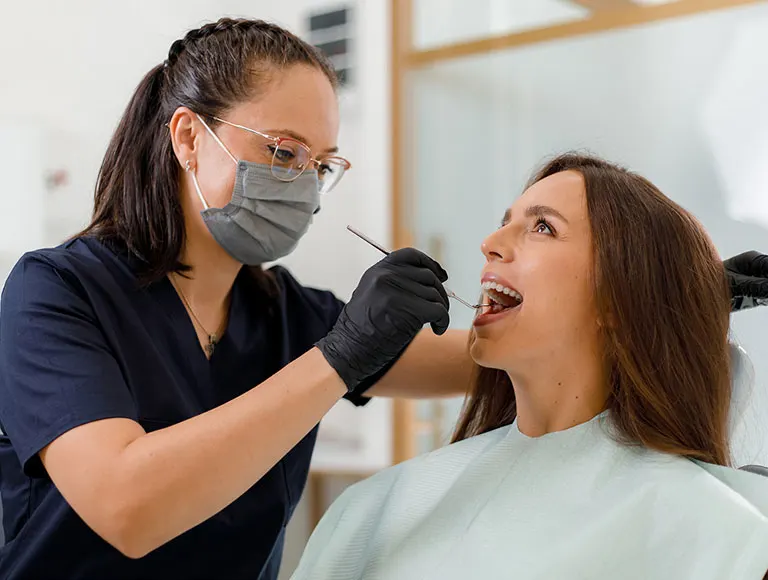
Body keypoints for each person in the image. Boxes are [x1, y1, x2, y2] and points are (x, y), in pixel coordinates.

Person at [0, 17, 765, 580]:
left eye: (321, 163)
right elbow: (125, 507)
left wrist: (669, 295)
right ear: (189, 138)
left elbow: (494, 349)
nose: (301, 182)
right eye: (281, 153)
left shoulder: (286, 314)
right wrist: (339, 358)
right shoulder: (57, 292)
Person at [291, 154, 768, 580]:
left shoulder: (718, 529)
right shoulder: (371, 513)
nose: (490, 242)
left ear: (620, 296)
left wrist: (673, 308)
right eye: (505, 221)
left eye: (543, 227)